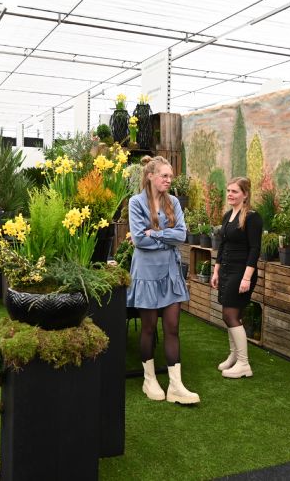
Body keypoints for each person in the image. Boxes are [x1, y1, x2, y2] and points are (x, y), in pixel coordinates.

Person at [128, 156, 200, 404]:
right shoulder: (136, 202)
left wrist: (156, 234)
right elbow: (139, 240)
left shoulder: (174, 202)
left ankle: (176, 386)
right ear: (150, 176)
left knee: (172, 328)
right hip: (146, 274)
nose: (169, 180)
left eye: (171, 176)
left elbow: (181, 235)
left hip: (170, 273)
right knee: (148, 328)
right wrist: (164, 239)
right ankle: (149, 380)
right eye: (164, 176)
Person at [210, 177, 263, 378]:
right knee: (233, 315)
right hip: (226, 271)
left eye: (235, 191)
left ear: (245, 194)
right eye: (228, 191)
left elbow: (255, 249)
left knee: (229, 315)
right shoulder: (228, 215)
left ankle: (243, 363)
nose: (230, 194)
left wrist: (247, 278)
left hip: (241, 273)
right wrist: (216, 271)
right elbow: (223, 245)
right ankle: (234, 356)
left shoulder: (252, 217)